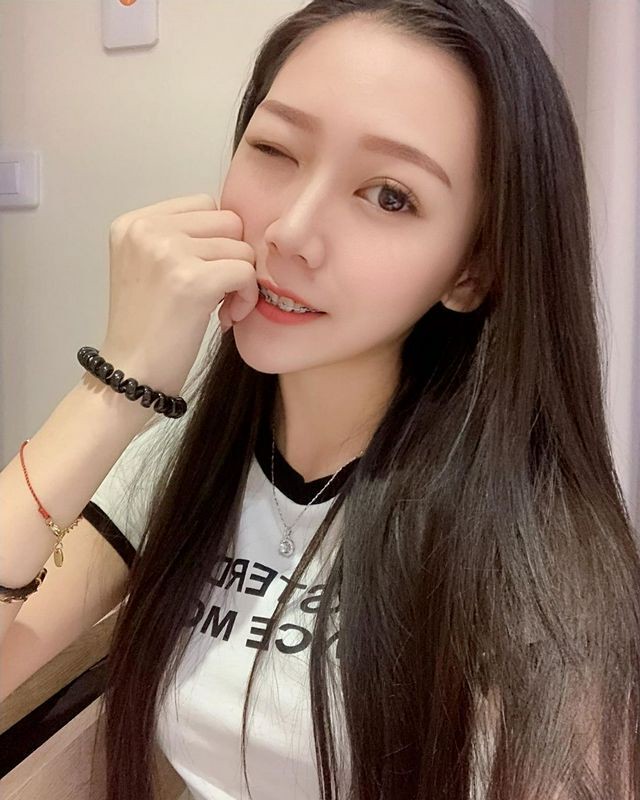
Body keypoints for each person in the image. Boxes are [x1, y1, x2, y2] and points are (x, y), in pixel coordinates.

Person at [1, 1, 638, 798]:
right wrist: (117, 384)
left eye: (390, 196)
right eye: (274, 148)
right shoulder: (187, 453)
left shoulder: (531, 555)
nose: (292, 232)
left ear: (470, 271)